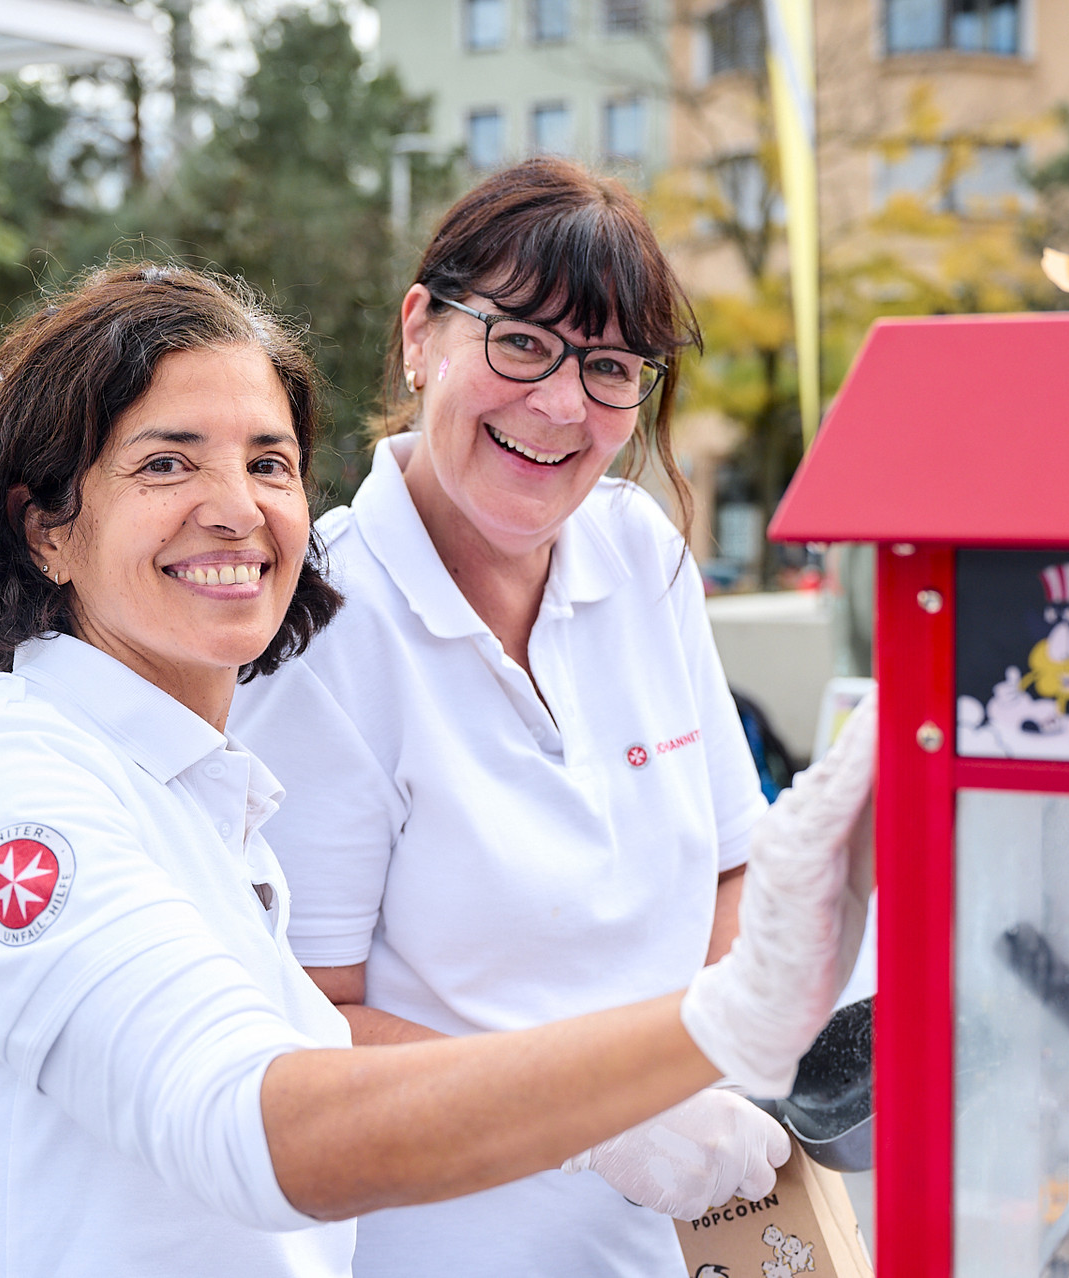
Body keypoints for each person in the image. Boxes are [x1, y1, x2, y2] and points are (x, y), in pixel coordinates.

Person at [0, 262, 876, 1278]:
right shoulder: (0, 787)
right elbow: (257, 1125)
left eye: (269, 462)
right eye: (166, 462)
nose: (236, 507)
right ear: (44, 527)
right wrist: (694, 1043)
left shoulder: (206, 797)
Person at [226, 157, 815, 1275]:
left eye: (607, 367)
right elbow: (305, 1018)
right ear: (421, 332)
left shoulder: (640, 553)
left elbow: (734, 867)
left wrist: (715, 1062)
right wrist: (602, 1120)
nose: (559, 405)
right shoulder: (325, 630)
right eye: (521, 342)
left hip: (683, 1237)